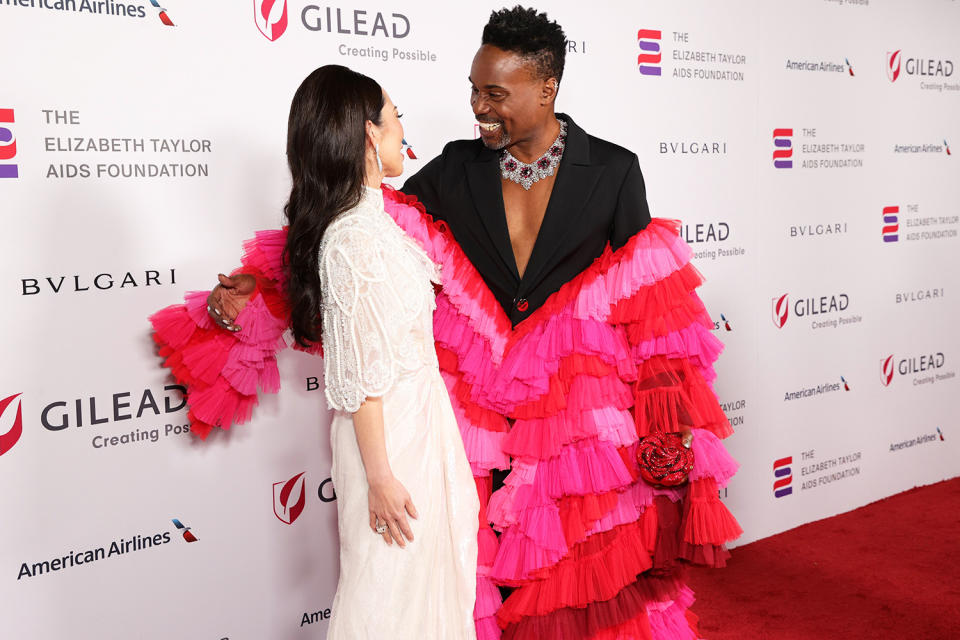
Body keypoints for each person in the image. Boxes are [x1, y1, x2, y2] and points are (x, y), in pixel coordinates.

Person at [193, 7, 741, 640]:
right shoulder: (457, 167)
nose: (478, 106)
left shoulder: (614, 171)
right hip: (476, 416)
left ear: (547, 89)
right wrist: (265, 286)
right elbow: (360, 235)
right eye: (474, 89)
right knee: (479, 575)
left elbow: (654, 307)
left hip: (575, 425)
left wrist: (666, 425)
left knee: (582, 583)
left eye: (495, 94)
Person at [151, 65, 479, 639]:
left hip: (418, 428)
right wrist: (379, 477)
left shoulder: (373, 226)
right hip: (391, 446)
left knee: (424, 590)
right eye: (396, 115)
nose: (405, 128)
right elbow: (359, 374)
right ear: (369, 136)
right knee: (388, 599)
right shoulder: (352, 239)